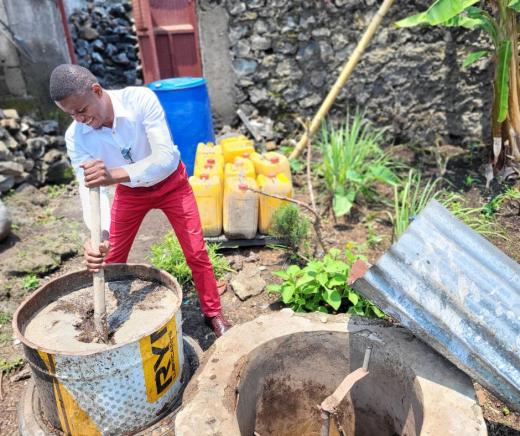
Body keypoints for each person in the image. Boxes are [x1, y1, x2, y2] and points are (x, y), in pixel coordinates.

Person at [49, 64, 231, 337]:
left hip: (173, 185)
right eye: (71, 114)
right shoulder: (76, 137)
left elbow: (165, 158)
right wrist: (98, 235)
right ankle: (116, 308)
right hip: (129, 192)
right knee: (110, 258)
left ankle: (212, 312)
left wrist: (114, 174)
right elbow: (89, 189)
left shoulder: (140, 100)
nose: (79, 119)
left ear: (97, 91)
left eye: (82, 110)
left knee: (195, 251)